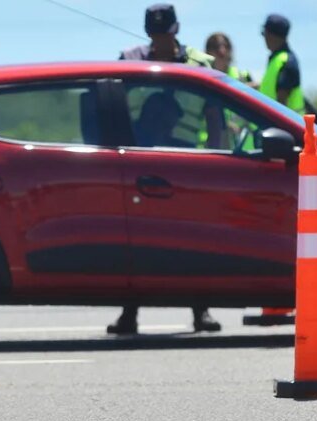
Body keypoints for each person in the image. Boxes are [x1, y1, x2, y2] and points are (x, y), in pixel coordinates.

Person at [112, 3, 222, 335]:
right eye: (155, 35)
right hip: (140, 164)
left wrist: (217, 163)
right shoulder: (129, 61)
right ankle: (129, 312)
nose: (160, 42)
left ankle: (201, 309)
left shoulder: (199, 65)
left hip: (187, 165)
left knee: (193, 240)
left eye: (165, 34)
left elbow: (215, 120)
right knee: (136, 240)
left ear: (176, 31)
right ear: (148, 34)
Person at [120, 4, 214, 68]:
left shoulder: (198, 63)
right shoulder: (131, 60)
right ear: (147, 32)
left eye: (166, 34)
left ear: (177, 28)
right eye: (156, 34)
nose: (161, 39)